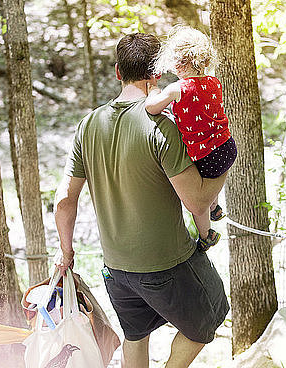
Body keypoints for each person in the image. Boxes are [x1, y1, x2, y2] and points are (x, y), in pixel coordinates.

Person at [54, 33, 229, 368]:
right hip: (168, 263)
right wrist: (225, 164)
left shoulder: (89, 124)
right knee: (210, 316)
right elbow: (197, 202)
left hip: (116, 268)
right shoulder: (161, 126)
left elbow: (64, 200)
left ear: (119, 72)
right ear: (158, 74)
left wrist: (66, 252)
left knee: (136, 336)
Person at [145, 27, 237, 250]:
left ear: (178, 63)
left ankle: (206, 235)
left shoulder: (177, 88)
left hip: (206, 156)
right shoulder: (214, 83)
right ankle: (216, 207)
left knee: (198, 203)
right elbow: (200, 114)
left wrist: (154, 90)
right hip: (226, 146)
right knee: (212, 180)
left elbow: (151, 108)